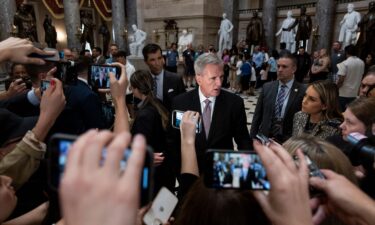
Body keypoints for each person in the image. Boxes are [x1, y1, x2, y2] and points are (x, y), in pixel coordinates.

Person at [168, 52, 252, 176]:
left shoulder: (234, 103)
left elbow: (243, 140)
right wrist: (180, 173)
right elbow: (173, 141)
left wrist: (244, 172)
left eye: (222, 77)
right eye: (213, 78)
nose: (219, 83)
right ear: (198, 78)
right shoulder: (180, 103)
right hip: (191, 173)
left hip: (222, 173)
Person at [250, 53, 306, 143]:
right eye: (278, 66)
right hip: (265, 138)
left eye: (284, 67)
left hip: (288, 141)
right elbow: (257, 116)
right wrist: (252, 138)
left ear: (294, 69)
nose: (280, 70)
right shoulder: (267, 87)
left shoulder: (302, 90)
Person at [142, 43, 185, 111]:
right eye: (152, 60)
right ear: (146, 62)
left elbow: (183, 104)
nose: (157, 63)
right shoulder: (142, 80)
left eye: (159, 58)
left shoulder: (176, 79)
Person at [336, 44, 365, 110]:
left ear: (346, 52)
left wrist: (336, 88)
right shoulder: (361, 62)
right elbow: (361, 76)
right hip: (354, 93)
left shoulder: (345, 63)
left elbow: (341, 80)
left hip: (343, 93)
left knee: (340, 113)